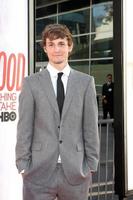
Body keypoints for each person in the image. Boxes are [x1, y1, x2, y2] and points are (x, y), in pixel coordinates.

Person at [15, 23, 99, 200]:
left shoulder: (86, 83)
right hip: (37, 173)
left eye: (61, 43)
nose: (56, 49)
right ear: (45, 48)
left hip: (76, 173)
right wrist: (23, 165)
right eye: (51, 44)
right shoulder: (31, 83)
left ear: (70, 46)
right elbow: (24, 128)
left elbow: (91, 127)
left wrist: (91, 164)